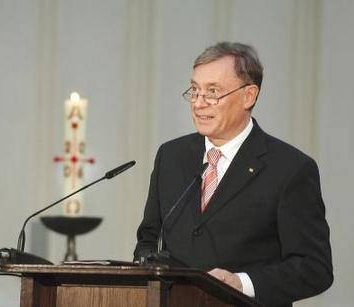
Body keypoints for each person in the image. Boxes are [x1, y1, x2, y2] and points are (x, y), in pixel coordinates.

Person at [133, 42, 333, 307]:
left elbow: (314, 268)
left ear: (249, 95)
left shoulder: (290, 169)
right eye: (195, 90)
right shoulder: (171, 156)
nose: (199, 103)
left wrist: (242, 282)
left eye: (213, 92)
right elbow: (148, 240)